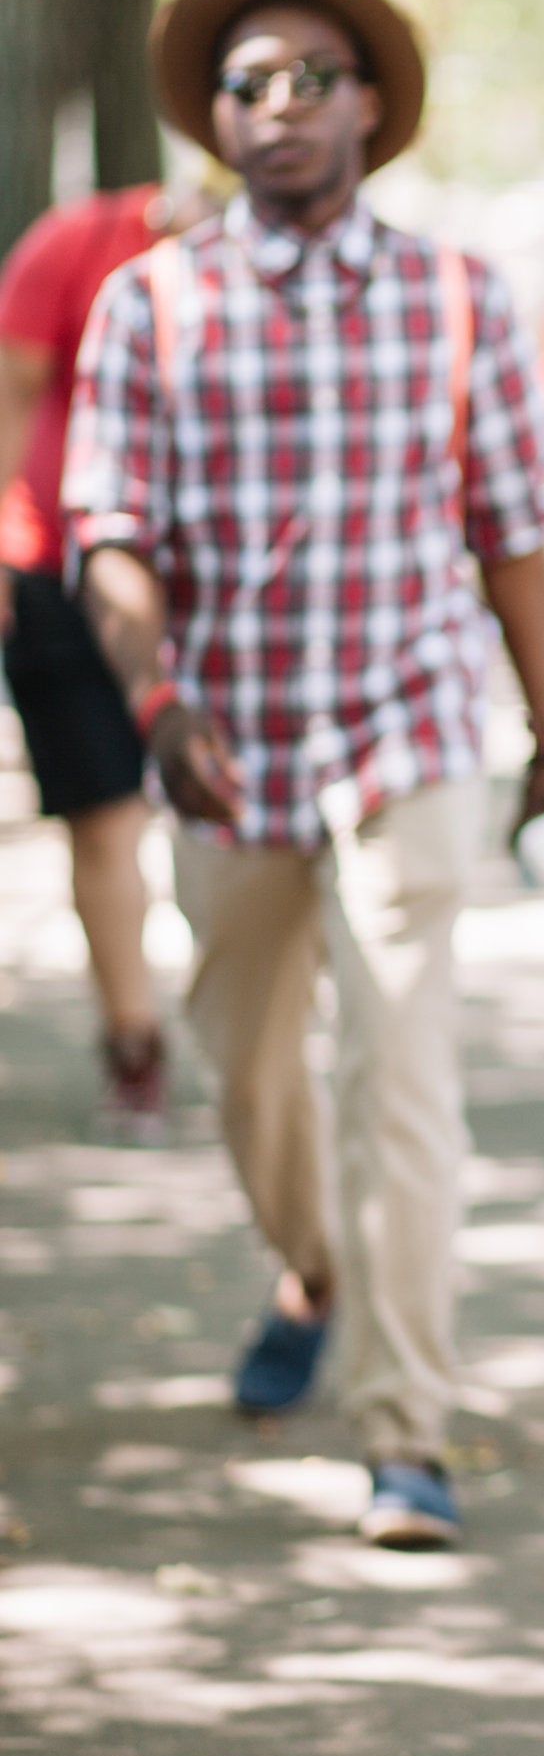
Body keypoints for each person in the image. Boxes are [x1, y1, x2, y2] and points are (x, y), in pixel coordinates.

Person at [64, 0, 544, 1547]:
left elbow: (507, 532)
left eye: (306, 78)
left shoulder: (456, 296)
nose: (275, 106)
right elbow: (111, 533)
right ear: (216, 123)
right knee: (247, 1071)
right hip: (227, 747)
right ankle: (311, 1265)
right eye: (245, 86)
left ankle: (402, 1427)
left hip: (407, 734)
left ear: (366, 106)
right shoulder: (152, 302)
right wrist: (159, 708)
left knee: (401, 1081)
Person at [0, 177, 201, 1132]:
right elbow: (10, 392)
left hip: (206, 579)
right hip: (57, 570)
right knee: (107, 820)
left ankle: (252, 1025)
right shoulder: (72, 242)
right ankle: (135, 1040)